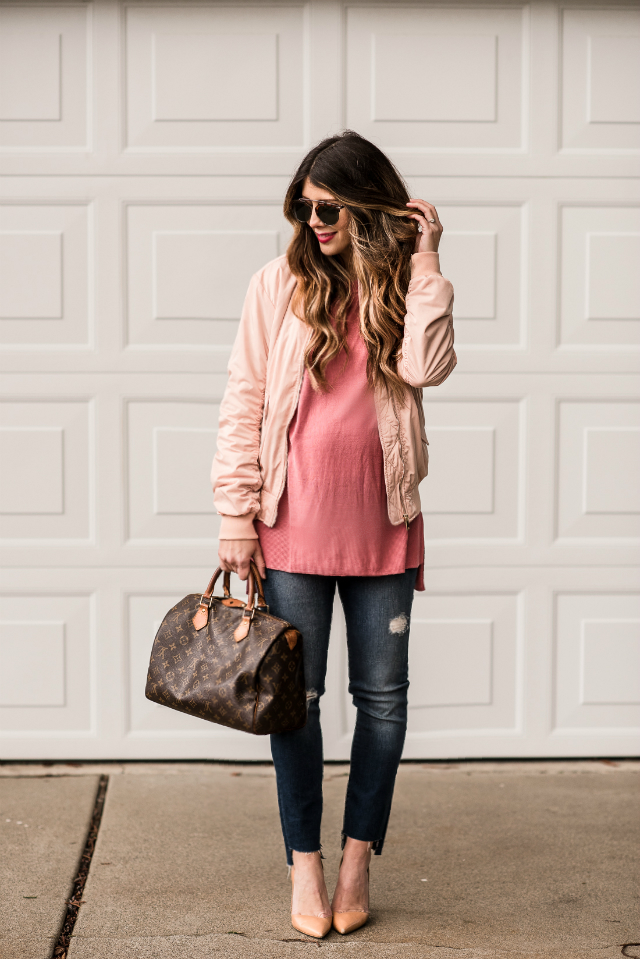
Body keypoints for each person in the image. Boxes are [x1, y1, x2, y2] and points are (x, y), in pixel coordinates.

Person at [211, 130, 456, 939]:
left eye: (331, 207)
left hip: (383, 525)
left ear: (367, 207)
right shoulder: (275, 286)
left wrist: (425, 265)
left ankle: (356, 854)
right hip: (290, 531)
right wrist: (234, 517)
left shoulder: (396, 285)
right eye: (304, 206)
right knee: (297, 706)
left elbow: (427, 365)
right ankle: (304, 862)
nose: (314, 220)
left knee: (383, 703)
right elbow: (244, 401)